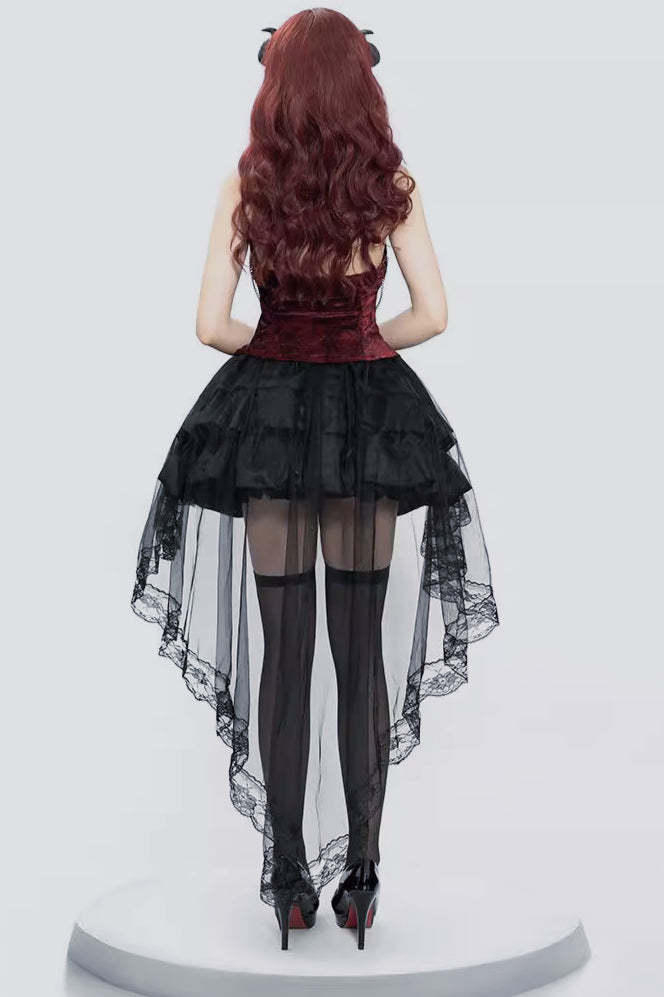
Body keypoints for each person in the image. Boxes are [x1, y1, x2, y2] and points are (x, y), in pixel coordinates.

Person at [130, 8, 499, 951]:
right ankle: (364, 880)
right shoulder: (390, 186)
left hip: (271, 426)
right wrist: (362, 342)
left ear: (278, 83)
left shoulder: (248, 183)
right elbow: (434, 314)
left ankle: (289, 878)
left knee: (283, 652)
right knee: (359, 653)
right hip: (369, 421)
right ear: (361, 81)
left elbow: (210, 325)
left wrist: (279, 348)